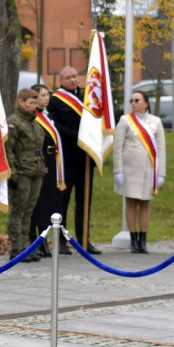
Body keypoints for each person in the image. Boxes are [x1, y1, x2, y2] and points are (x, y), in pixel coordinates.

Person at [49, 66, 100, 253]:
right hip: (67, 158)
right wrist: (79, 137)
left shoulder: (88, 98)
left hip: (86, 158)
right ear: (61, 80)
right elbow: (56, 127)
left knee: (84, 200)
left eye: (74, 76)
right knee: (63, 200)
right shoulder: (54, 100)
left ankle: (84, 240)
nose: (72, 80)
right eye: (68, 77)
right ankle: (61, 240)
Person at [113, 90, 166, 253]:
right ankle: (133, 240)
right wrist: (118, 171)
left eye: (137, 100)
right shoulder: (125, 120)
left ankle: (143, 239)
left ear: (146, 103)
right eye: (132, 100)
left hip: (148, 171)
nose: (133, 103)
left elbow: (162, 148)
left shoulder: (156, 122)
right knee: (130, 202)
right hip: (129, 170)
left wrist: (161, 173)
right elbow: (117, 147)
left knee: (145, 203)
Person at [5, 88, 47, 261]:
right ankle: (16, 248)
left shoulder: (35, 123)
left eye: (35, 103)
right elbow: (8, 149)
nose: (33, 106)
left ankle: (25, 246)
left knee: (29, 211)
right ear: (21, 102)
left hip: (36, 170)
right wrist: (12, 173)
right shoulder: (14, 122)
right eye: (31, 103)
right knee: (18, 210)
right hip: (21, 171)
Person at [29, 83, 65, 257]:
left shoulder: (48, 116)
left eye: (47, 94)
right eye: (42, 95)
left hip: (51, 162)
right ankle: (34, 241)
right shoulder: (33, 117)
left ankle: (43, 239)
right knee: (37, 203)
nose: (46, 98)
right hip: (39, 162)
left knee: (47, 203)